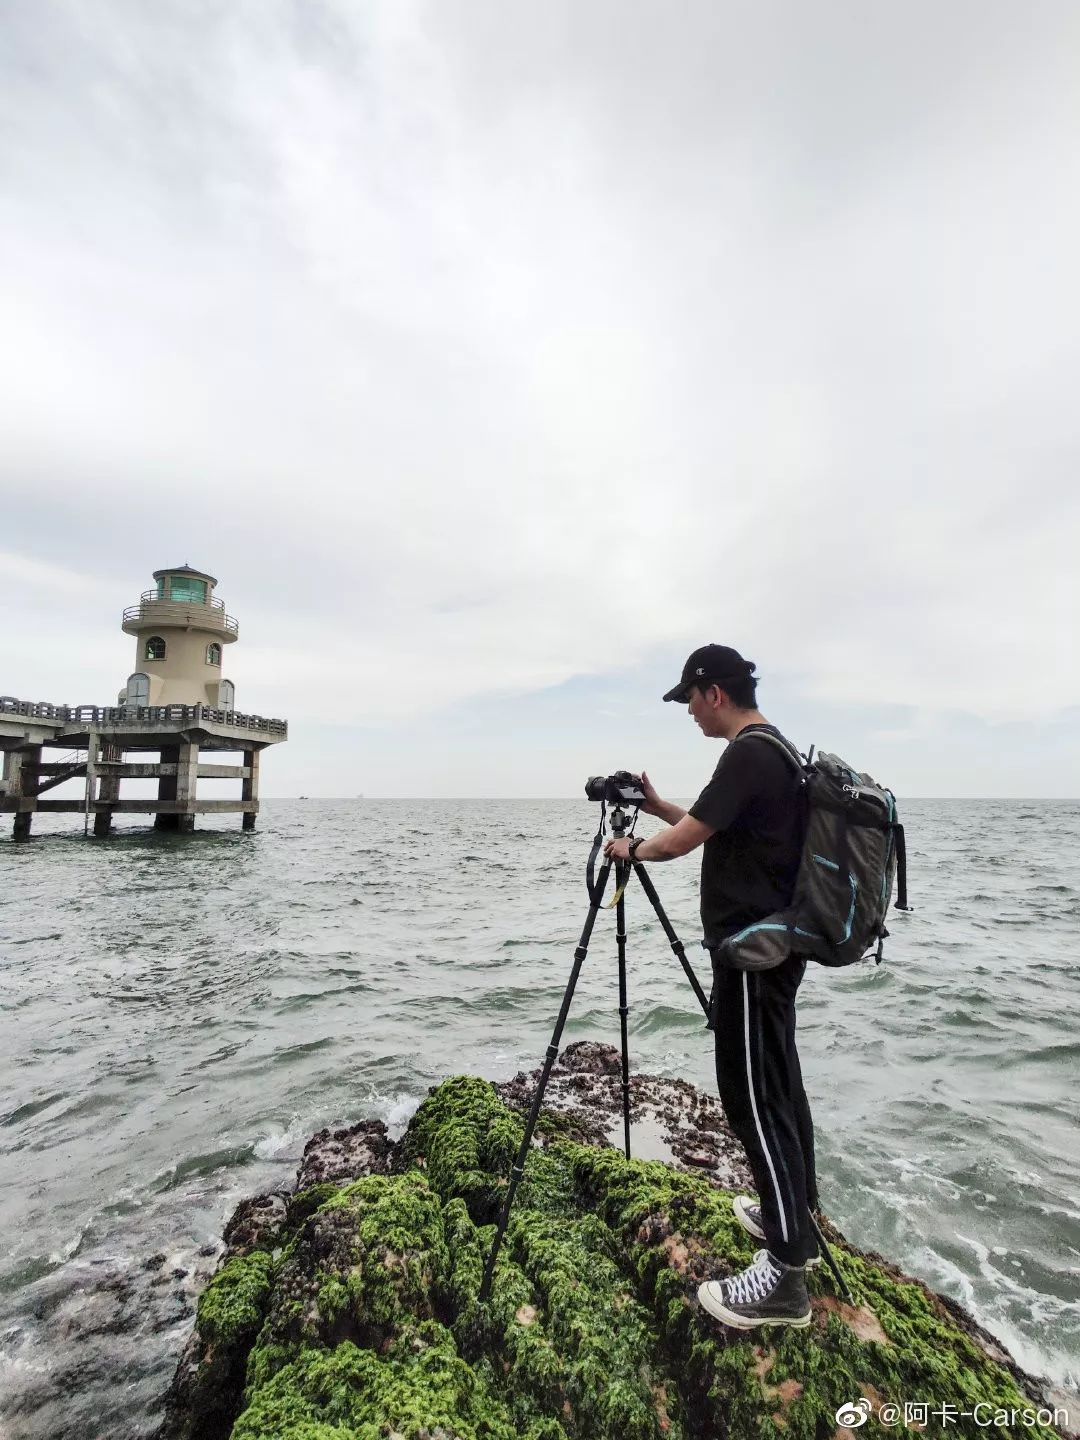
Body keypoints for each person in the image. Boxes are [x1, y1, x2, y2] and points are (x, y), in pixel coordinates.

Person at [602, 643, 819, 1330]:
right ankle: (795, 1213)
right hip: (771, 950)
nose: (688, 713)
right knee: (778, 1083)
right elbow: (707, 829)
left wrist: (628, 848)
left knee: (751, 1097)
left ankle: (786, 1278)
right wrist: (660, 804)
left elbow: (677, 846)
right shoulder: (772, 751)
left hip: (753, 956)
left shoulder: (749, 754)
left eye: (689, 700)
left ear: (713, 692)